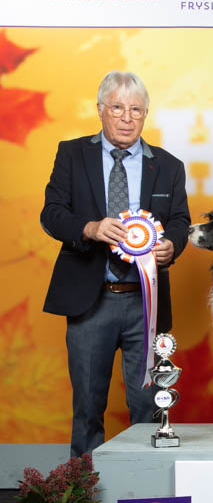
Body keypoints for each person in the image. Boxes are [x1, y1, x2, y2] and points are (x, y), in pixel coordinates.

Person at [41, 71, 191, 457]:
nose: (127, 118)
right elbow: (52, 214)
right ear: (100, 110)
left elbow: (179, 220)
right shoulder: (72, 154)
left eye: (136, 110)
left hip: (147, 303)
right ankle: (84, 489)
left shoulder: (169, 165)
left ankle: (143, 486)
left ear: (146, 114)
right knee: (88, 407)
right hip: (90, 300)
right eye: (117, 108)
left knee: (148, 408)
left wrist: (172, 245)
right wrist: (89, 228)